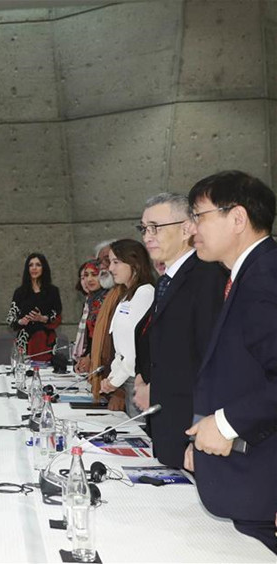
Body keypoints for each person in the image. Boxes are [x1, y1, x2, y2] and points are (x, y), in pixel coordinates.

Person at [183, 171, 277, 553]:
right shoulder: (249, 274)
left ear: (237, 219)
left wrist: (225, 424)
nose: (191, 229)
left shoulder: (265, 276)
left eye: (199, 216)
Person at [133, 193, 226, 468]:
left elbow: (212, 363)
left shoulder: (207, 277)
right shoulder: (170, 280)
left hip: (192, 430)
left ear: (187, 228)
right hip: (167, 424)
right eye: (143, 229)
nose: (147, 236)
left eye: (155, 227)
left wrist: (199, 432)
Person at [99, 239, 155, 416]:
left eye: (116, 262)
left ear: (135, 263)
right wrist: (112, 377)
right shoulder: (126, 295)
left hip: (137, 379)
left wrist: (116, 380)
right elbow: (121, 348)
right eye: (110, 262)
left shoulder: (145, 293)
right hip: (126, 376)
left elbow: (135, 347)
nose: (110, 268)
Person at [6, 253, 62, 362]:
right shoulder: (20, 292)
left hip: (46, 341)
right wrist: (21, 321)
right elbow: (10, 318)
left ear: (44, 268)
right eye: (31, 265)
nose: (34, 268)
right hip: (24, 341)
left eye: (38, 265)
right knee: (24, 374)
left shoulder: (53, 291)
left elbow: (57, 315)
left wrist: (42, 318)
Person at [72, 259, 109, 373]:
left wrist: (90, 357)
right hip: (93, 359)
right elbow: (90, 337)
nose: (89, 279)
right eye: (85, 275)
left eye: (94, 274)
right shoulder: (91, 301)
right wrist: (85, 358)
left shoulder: (107, 300)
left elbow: (105, 336)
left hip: (105, 361)